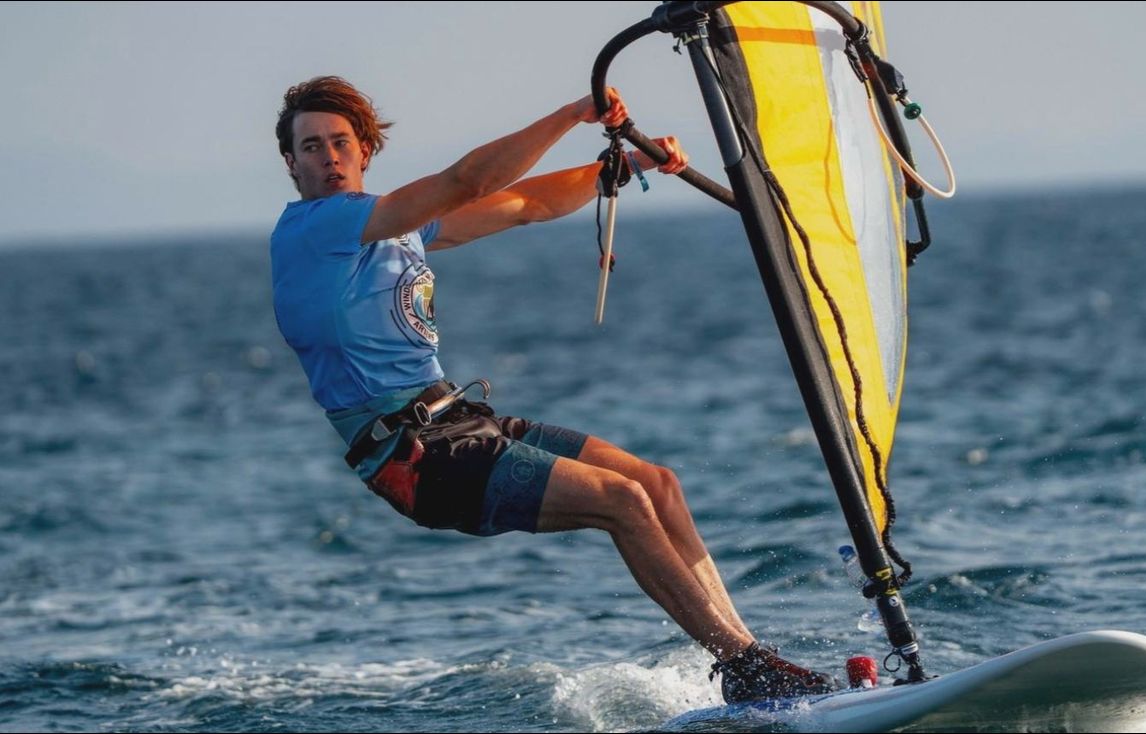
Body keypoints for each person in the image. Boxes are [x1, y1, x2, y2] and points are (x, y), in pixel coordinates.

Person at [269, 75, 835, 703]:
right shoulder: (319, 227)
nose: (328, 158)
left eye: (339, 143)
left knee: (656, 484)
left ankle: (748, 655)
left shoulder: (397, 227)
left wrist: (621, 168)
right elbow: (467, 182)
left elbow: (525, 203)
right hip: (414, 458)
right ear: (291, 163)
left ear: (364, 150)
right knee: (621, 500)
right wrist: (572, 113)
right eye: (312, 147)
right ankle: (746, 668)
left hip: (458, 420)